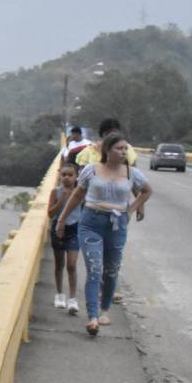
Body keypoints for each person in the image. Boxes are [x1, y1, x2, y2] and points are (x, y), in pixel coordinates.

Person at [55, 133, 152, 336]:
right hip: (91, 222)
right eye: (119, 148)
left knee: (111, 271)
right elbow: (77, 195)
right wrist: (62, 219)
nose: (124, 152)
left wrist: (132, 209)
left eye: (125, 149)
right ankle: (92, 317)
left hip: (117, 225)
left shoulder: (131, 173)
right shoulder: (91, 170)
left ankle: (104, 309)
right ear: (107, 151)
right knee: (95, 269)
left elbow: (146, 191)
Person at [47, 162, 81, 314]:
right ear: (60, 176)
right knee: (59, 263)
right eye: (64, 175)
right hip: (58, 229)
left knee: (72, 265)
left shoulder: (81, 192)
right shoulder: (55, 191)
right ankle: (60, 294)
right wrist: (62, 199)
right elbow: (50, 213)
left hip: (75, 229)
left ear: (76, 176)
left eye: (70, 175)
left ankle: (73, 299)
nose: (67, 178)